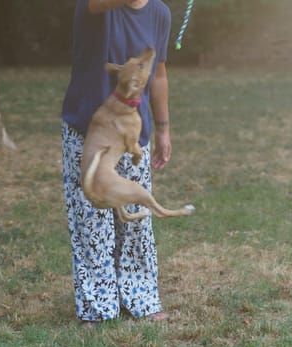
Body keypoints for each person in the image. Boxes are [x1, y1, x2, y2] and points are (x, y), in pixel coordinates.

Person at [61, 0, 172, 327]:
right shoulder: (97, 6)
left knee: (135, 219)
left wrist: (163, 128)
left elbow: (159, 76)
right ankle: (97, 307)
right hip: (88, 132)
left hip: (132, 133)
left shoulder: (159, 13)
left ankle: (141, 299)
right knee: (92, 221)